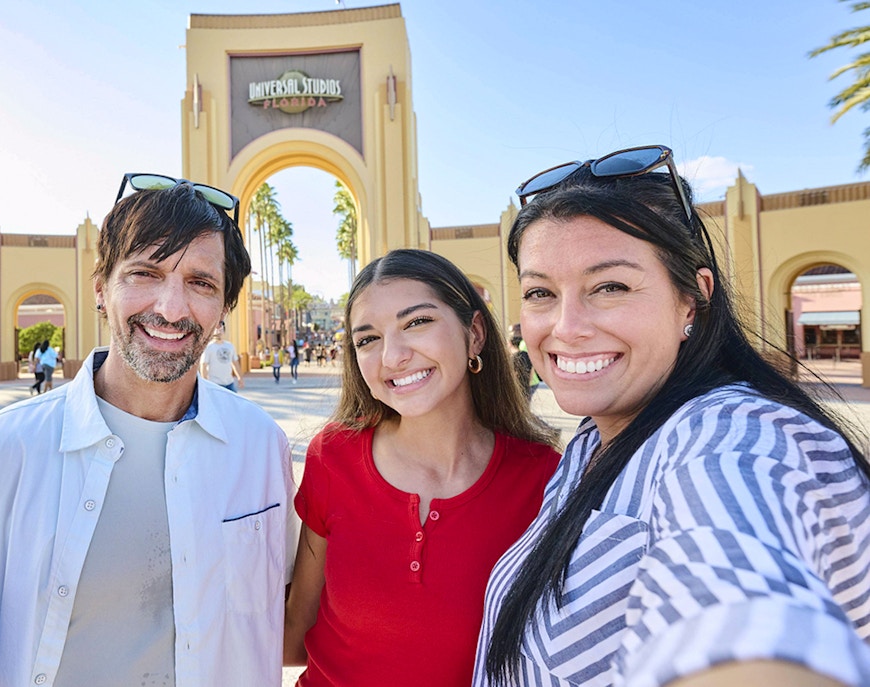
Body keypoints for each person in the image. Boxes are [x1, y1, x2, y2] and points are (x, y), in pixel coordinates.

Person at [477, 145, 870, 687]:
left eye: (610, 286)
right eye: (541, 292)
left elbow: (739, 610)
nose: (565, 326)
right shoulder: (592, 443)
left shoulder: (728, 436)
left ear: (692, 299)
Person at [0, 173, 296, 687]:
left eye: (201, 283)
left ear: (225, 306)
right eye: (144, 273)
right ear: (101, 289)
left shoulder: (260, 445)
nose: (170, 307)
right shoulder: (1, 451)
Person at [283, 249, 561, 686]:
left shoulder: (544, 479)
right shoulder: (331, 457)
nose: (392, 356)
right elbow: (295, 633)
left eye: (416, 322)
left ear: (474, 334)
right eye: (367, 339)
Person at [200, 323, 244, 391]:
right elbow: (203, 365)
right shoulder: (209, 347)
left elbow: (235, 363)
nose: (218, 332)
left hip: (229, 383)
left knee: (233, 401)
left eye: (221, 330)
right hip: (214, 384)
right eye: (216, 330)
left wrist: (240, 377)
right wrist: (204, 383)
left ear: (224, 331)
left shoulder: (230, 346)